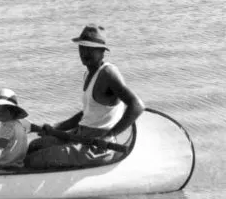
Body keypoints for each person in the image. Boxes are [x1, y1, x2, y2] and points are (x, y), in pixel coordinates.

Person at [25, 25, 145, 169]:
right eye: (82, 47)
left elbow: (137, 106)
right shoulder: (88, 74)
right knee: (34, 146)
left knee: (33, 160)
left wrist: (108, 136)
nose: (85, 52)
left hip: (97, 146)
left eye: (91, 49)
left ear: (102, 52)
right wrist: (56, 127)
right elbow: (87, 113)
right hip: (81, 135)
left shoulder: (108, 73)